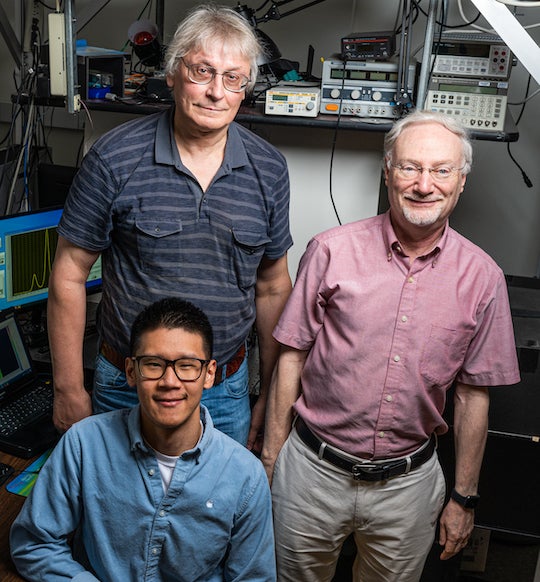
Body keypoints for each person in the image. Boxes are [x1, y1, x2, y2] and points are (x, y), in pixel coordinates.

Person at [261, 110, 520, 582]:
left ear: (461, 181)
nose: (424, 184)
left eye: (441, 170)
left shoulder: (483, 278)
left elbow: (472, 395)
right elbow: (291, 356)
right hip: (311, 475)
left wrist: (464, 497)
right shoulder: (330, 250)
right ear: (387, 172)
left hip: (409, 486)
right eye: (410, 167)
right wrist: (273, 462)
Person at [47, 4, 292, 448]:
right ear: (173, 73)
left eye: (232, 78)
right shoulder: (113, 158)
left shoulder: (269, 169)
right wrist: (68, 387)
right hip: (128, 385)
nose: (217, 91)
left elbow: (273, 288)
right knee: (114, 511)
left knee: (213, 514)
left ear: (244, 89)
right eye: (202, 71)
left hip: (224, 390)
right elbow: (68, 273)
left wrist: (270, 396)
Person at [11, 297, 276, 581]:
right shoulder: (83, 444)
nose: (169, 382)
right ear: (130, 371)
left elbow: (253, 577)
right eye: (153, 364)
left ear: (208, 374)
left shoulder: (246, 476)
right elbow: (35, 544)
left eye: (186, 365)